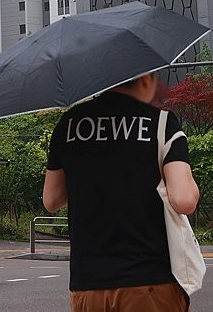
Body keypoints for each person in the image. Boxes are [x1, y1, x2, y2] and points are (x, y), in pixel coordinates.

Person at [43, 72, 200, 312]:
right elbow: (184, 200)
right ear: (146, 79)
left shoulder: (68, 124)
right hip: (149, 282)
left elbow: (51, 200)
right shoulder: (161, 123)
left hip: (87, 285)